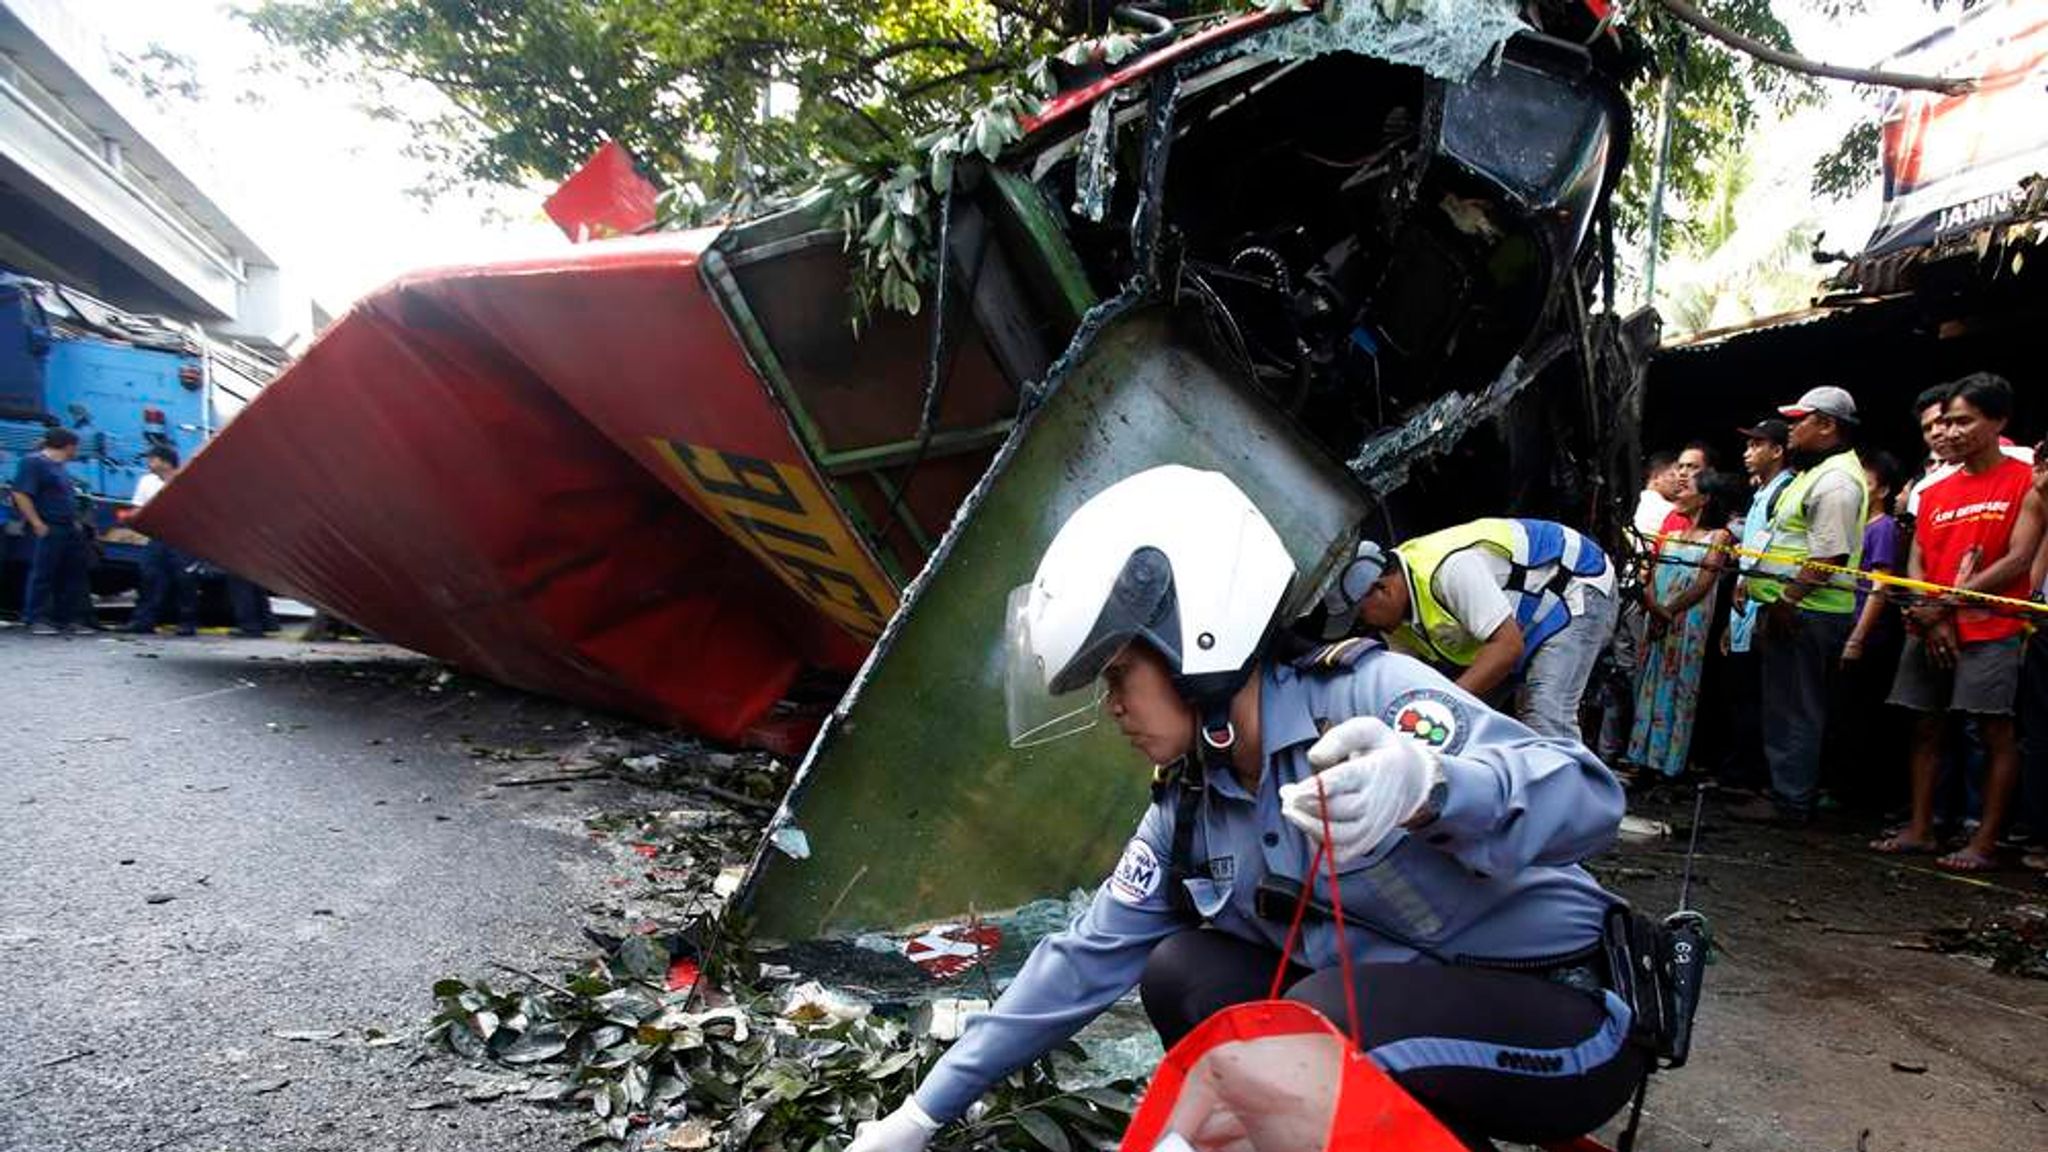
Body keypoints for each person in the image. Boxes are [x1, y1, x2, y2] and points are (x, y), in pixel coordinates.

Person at [850, 465, 1642, 1152]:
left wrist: (1432, 785)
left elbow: (1590, 800)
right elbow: (1079, 963)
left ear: (1196, 640)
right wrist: (923, 1112)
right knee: (1183, 971)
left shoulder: (1371, 701)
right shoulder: (1192, 807)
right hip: (1399, 1022)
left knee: (1312, 1024)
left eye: (1120, 673)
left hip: (1566, 1014)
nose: (1114, 708)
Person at [1875, 374, 2044, 870]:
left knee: (1994, 733)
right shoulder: (1937, 489)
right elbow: (1919, 559)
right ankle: (1921, 829)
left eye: (1964, 421)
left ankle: (1984, 840)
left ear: (1999, 422)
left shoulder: (2024, 480)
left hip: (1992, 626)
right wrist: (1931, 612)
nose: (1949, 432)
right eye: (1945, 421)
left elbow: (2019, 559)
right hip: (1930, 624)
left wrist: (1945, 606)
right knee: (1924, 726)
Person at [1346, 519, 1618, 743]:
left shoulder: (1450, 570)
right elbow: (1408, 689)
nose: (1363, 625)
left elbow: (1507, 648)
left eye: (1360, 614)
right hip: (1522, 621)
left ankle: (1574, 805)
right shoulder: (1397, 618)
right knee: (1460, 722)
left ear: (1383, 588)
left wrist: (1444, 703)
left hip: (1576, 585)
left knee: (1545, 714)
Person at [1731, 385, 1868, 824]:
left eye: (1799, 420)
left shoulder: (1836, 481)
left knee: (1797, 707)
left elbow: (1829, 555)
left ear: (1827, 425)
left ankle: (1791, 799)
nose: (1791, 429)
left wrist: (1788, 599)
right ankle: (1786, 791)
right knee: (1785, 704)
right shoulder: (1815, 473)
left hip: (1809, 611)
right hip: (1790, 608)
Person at [1627, 473, 1734, 779]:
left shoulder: (1720, 537)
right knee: (1649, 680)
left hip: (1686, 622)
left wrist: (1667, 611)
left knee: (1679, 686)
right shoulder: (1672, 535)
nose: (1679, 492)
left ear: (1705, 499)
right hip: (1658, 618)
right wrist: (1653, 607)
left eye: (1687, 488)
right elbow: (1652, 574)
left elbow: (1704, 582)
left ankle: (1667, 762)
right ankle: (1641, 756)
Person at [1826, 449, 1908, 812]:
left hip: (1866, 635)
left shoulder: (1883, 528)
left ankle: (1850, 794)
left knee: (1855, 715)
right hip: (1844, 627)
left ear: (1883, 490)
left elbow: (1881, 586)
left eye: (1867, 482)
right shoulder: (1856, 528)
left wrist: (1858, 638)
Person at [1717, 420, 1794, 790]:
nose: (1748, 453)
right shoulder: (1763, 493)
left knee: (1760, 697)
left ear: (1777, 450)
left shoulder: (1786, 491)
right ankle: (1739, 771)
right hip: (1746, 605)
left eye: (1757, 445)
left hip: (1769, 604)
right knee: (1741, 693)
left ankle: (1754, 778)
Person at [8, 428, 92, 635]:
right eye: (76, 446)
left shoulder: (59, 467)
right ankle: (34, 618)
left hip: (67, 527)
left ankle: (65, 619)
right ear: (69, 446)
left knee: (69, 575)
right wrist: (36, 523)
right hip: (48, 525)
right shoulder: (34, 462)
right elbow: (20, 493)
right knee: (42, 573)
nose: (77, 450)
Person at [124, 446, 198, 637]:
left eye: (152, 459)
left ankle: (187, 622)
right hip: (156, 537)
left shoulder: (187, 479)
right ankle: (143, 620)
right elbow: (137, 508)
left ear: (165, 462)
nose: (149, 464)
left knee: (185, 580)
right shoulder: (146, 482)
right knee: (149, 576)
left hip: (183, 538)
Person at [1632, 450, 1682, 538]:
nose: (1678, 481)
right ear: (1656, 477)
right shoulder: (1670, 510)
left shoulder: (1631, 501)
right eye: (1672, 475)